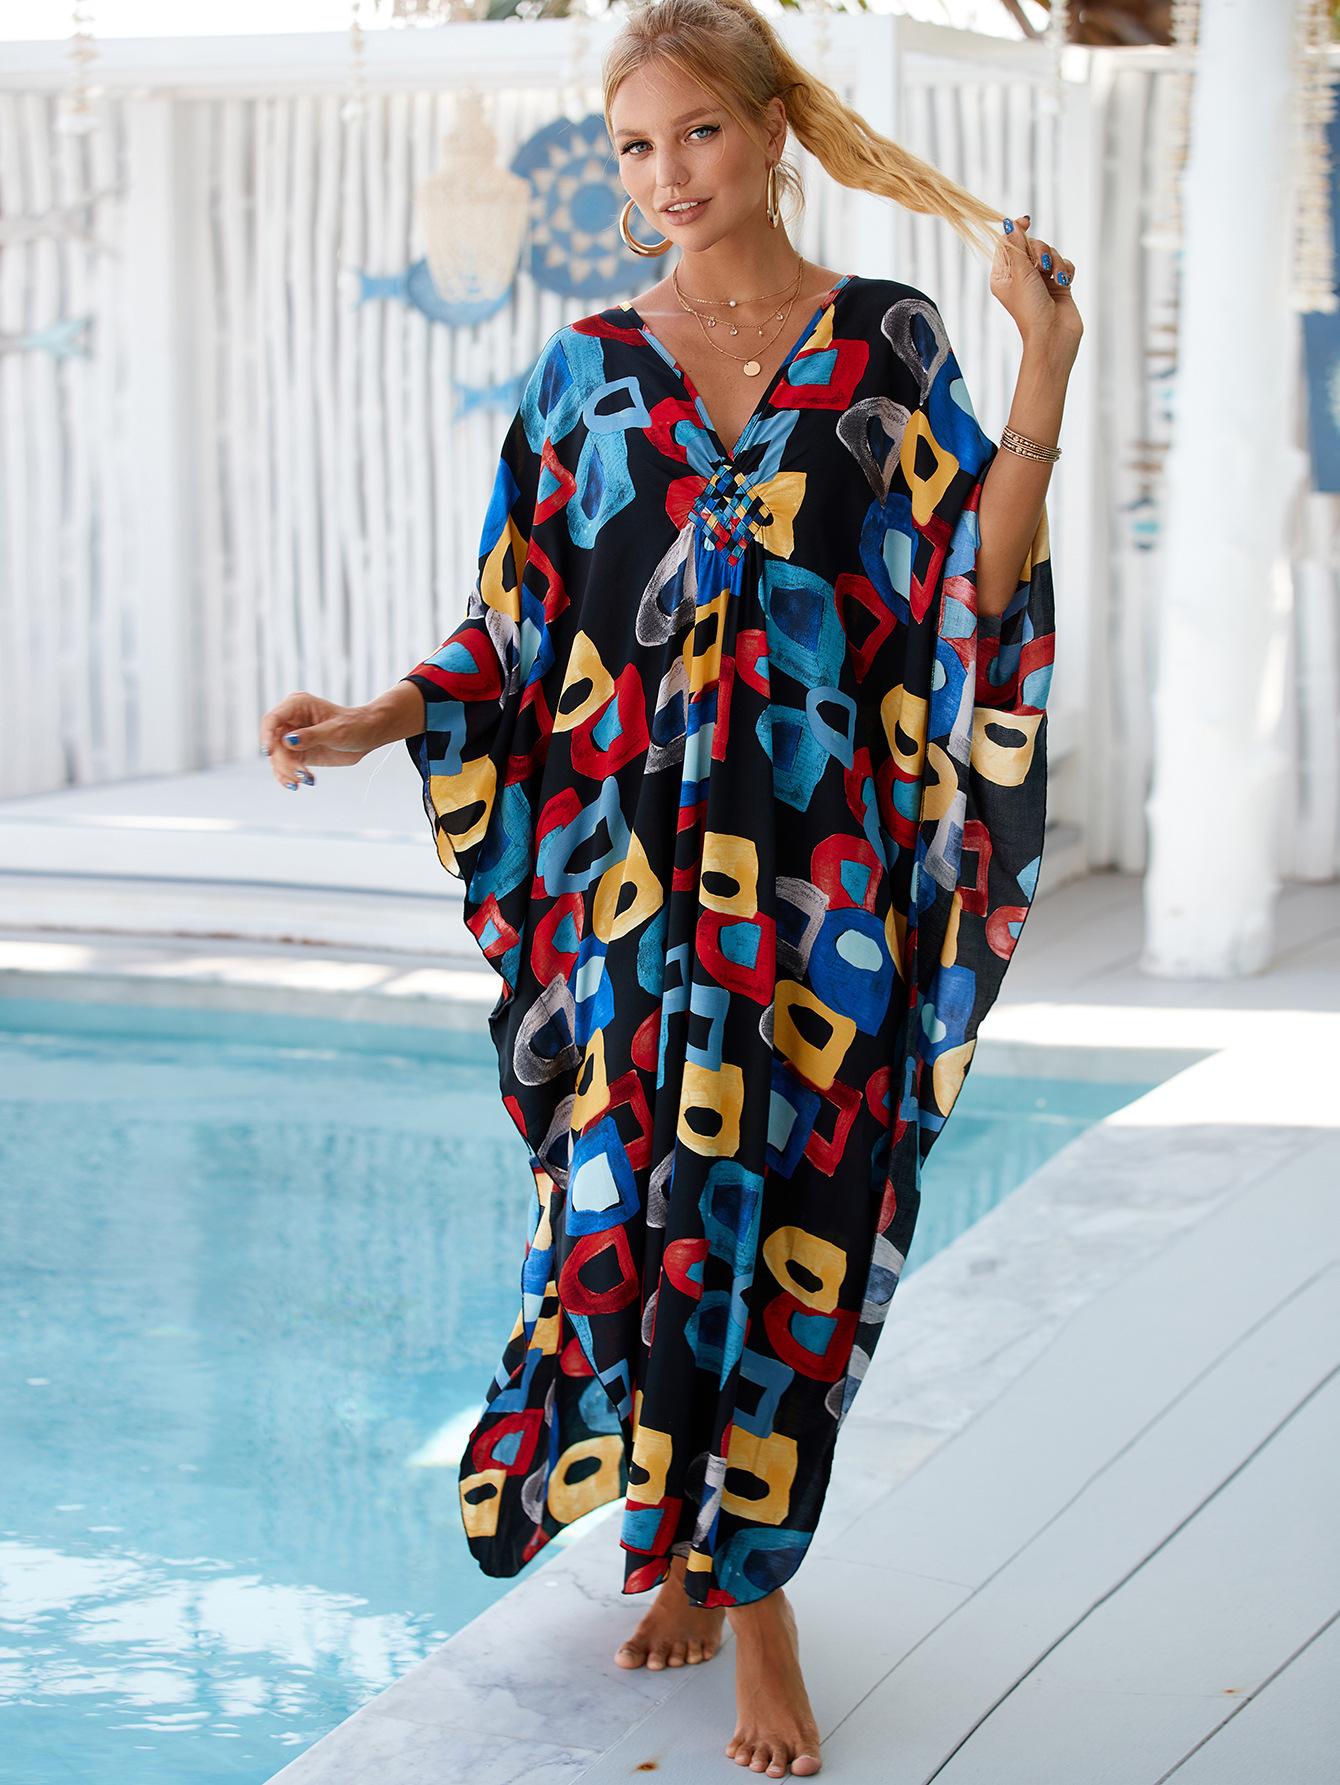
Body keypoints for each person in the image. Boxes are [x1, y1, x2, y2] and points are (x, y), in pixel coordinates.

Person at [259, 0, 1081, 1773]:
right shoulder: (583, 373)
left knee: (789, 1222)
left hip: (820, 887)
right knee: (646, 1211)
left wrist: (1044, 368)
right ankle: (720, 1579)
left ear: (773, 129)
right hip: (632, 890)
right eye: (636, 146)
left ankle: (732, 1572)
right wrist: (376, 718)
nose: (667, 174)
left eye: (697, 131)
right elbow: (515, 626)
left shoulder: (885, 341)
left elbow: (973, 588)